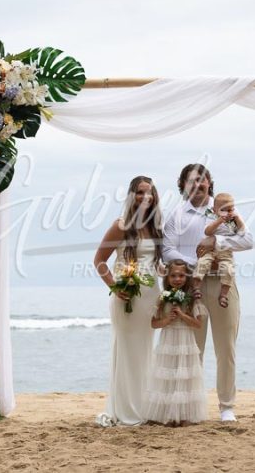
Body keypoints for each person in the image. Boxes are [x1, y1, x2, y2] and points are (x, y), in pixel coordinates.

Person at [162, 164, 253, 422]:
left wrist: (215, 242)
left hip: (224, 284)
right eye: (192, 181)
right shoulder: (177, 215)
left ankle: (226, 407)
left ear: (209, 183)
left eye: (202, 181)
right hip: (195, 285)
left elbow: (248, 240)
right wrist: (192, 263)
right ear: (183, 184)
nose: (198, 185)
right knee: (194, 349)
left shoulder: (225, 210)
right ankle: (193, 406)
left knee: (226, 348)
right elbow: (167, 250)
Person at [93, 176, 164, 426]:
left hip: (150, 295)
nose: (146, 197)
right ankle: (125, 410)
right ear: (131, 195)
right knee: (127, 351)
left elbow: (155, 262)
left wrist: (164, 271)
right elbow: (99, 261)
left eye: (150, 192)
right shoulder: (121, 226)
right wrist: (114, 285)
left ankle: (144, 406)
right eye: (141, 192)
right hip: (128, 296)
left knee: (145, 350)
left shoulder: (155, 226)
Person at [144, 259, 207, 427]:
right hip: (169, 339)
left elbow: (198, 324)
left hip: (185, 340)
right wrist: (167, 319)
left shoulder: (192, 298)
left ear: (187, 277)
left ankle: (184, 415)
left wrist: (182, 315)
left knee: (184, 377)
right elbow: (153, 323)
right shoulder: (162, 298)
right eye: (173, 276)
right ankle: (167, 414)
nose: (177, 279)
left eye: (181, 276)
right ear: (167, 277)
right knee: (168, 376)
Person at [191, 192, 246, 309]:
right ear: (215, 210)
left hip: (226, 251)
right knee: (202, 263)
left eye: (231, 209)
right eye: (224, 210)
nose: (228, 213)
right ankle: (196, 287)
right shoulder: (211, 217)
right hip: (210, 250)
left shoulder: (234, 221)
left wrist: (238, 219)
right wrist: (219, 221)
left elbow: (242, 232)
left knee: (229, 270)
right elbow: (208, 232)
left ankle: (223, 295)